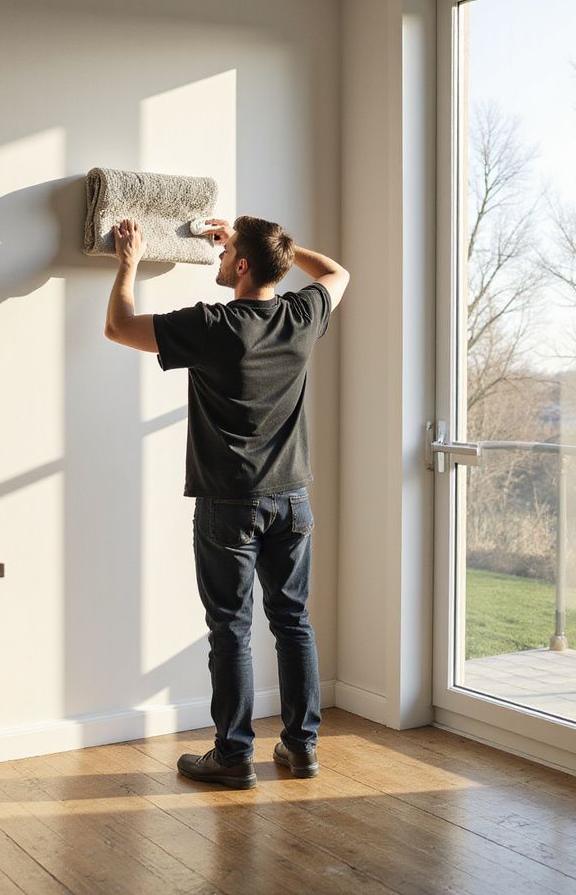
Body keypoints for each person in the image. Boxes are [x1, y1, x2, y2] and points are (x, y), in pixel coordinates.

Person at [103, 214, 348, 789]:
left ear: (241, 266)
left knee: (231, 629)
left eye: (226, 251)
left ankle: (234, 756)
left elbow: (118, 327)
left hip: (230, 505)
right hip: (292, 499)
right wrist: (278, 251)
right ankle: (301, 748)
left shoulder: (213, 325)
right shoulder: (300, 316)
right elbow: (336, 272)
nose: (218, 256)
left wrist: (129, 262)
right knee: (293, 622)